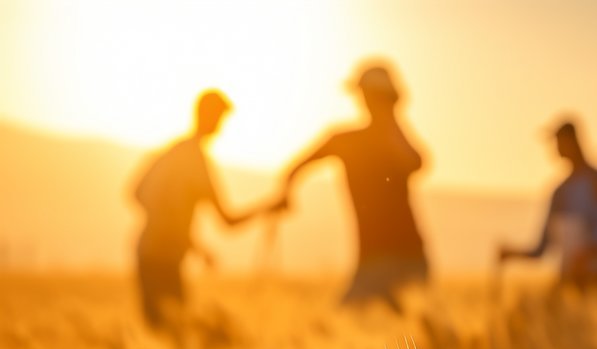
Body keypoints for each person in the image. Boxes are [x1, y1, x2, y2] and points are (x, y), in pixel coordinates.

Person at [280, 62, 428, 308]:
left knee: (355, 318)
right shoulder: (348, 141)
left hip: (403, 259)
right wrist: (287, 193)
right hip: (382, 260)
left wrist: (390, 120)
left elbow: (417, 163)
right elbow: (293, 171)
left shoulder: (369, 141)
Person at [131, 90, 275, 328]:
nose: (220, 127)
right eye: (219, 118)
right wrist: (267, 207)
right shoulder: (197, 163)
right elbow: (228, 220)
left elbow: (136, 193)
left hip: (151, 252)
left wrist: (175, 228)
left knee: (165, 328)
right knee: (173, 328)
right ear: (209, 117)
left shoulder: (172, 152)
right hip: (162, 257)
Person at [497, 120, 597, 284]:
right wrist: (511, 253)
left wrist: (586, 255)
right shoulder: (560, 192)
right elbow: (541, 248)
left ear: (571, 142)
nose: (555, 147)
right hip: (575, 282)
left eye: (558, 141)